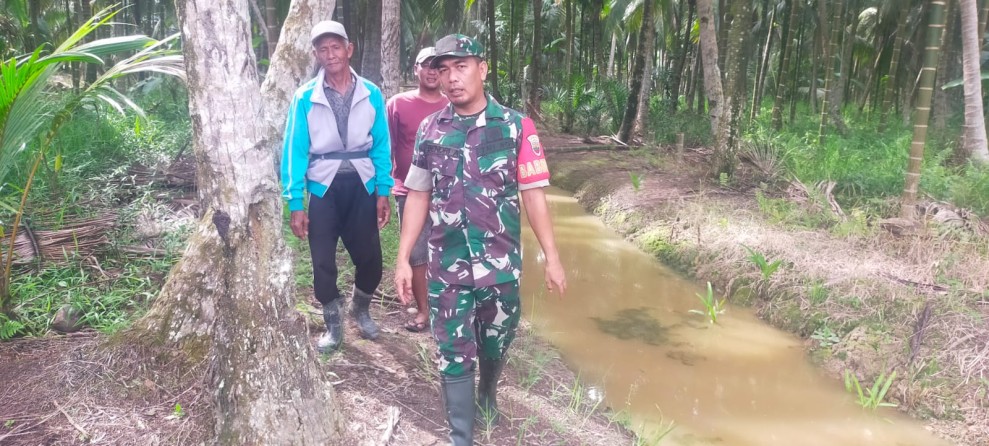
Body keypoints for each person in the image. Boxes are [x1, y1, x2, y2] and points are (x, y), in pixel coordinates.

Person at [394, 34, 567, 446]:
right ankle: (461, 435)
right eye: (444, 69)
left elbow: (534, 195)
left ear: (482, 69)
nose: (451, 78)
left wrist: (554, 258)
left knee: (496, 340)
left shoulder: (516, 126)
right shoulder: (430, 129)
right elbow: (418, 193)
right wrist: (403, 257)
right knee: (453, 351)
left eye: (461, 67)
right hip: (446, 264)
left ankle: (488, 391)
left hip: (500, 266)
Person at [281, 20, 393, 353]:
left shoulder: (371, 93)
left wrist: (383, 190)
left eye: (335, 47)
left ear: (349, 49)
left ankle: (361, 307)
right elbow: (294, 150)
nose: (330, 55)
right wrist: (295, 203)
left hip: (362, 183)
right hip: (322, 186)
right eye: (322, 49)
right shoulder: (304, 97)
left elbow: (381, 146)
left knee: (370, 256)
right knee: (322, 260)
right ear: (316, 54)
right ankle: (333, 323)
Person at [387, 46, 449, 333]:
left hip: (448, 192)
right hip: (409, 190)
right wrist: (383, 189)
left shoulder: (453, 105)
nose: (432, 71)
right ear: (416, 69)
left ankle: (449, 307)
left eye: (438, 66)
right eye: (427, 65)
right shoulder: (398, 103)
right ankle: (425, 311)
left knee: (447, 251)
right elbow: (385, 147)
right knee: (417, 253)